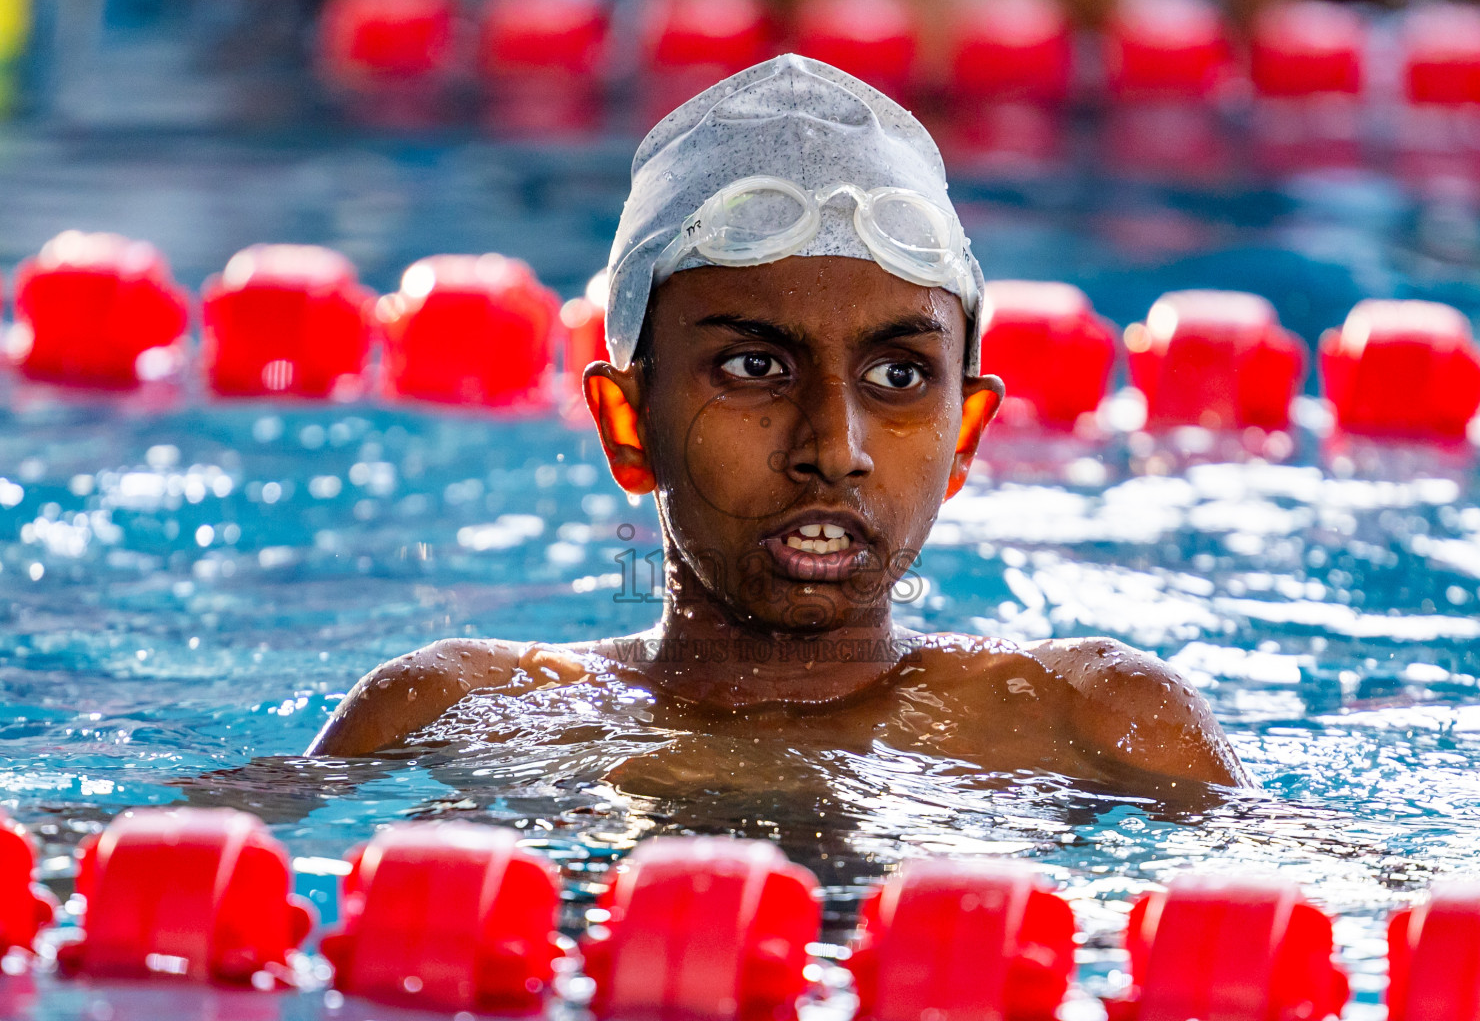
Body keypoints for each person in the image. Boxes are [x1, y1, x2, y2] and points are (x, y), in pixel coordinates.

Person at [307, 55, 1251, 797]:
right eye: (755, 368)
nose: (832, 449)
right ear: (627, 421)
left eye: (897, 375)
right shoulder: (450, 716)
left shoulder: (1099, 725)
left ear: (963, 434)